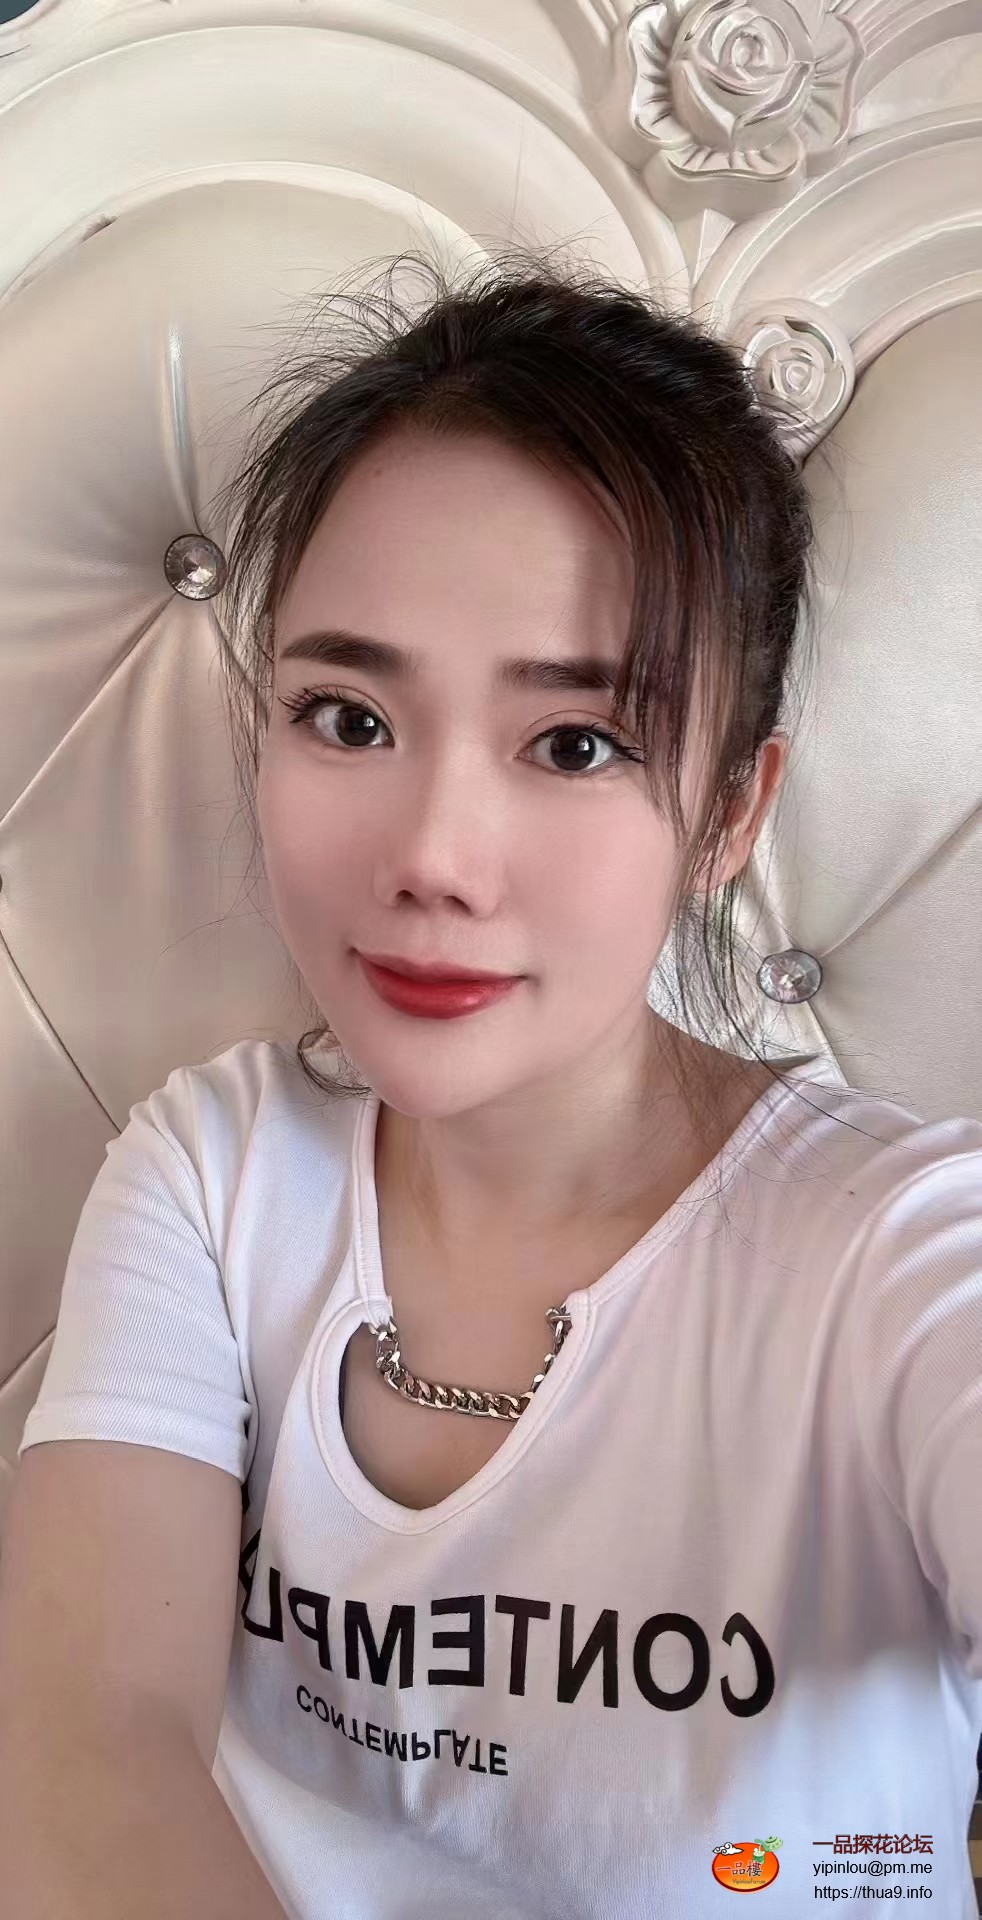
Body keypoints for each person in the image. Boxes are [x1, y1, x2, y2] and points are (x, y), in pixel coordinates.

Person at [0, 255, 979, 1920]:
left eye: (575, 743)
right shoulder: (212, 1176)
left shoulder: (897, 1251)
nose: (434, 858)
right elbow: (86, 1749)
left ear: (730, 814)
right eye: (345, 716)